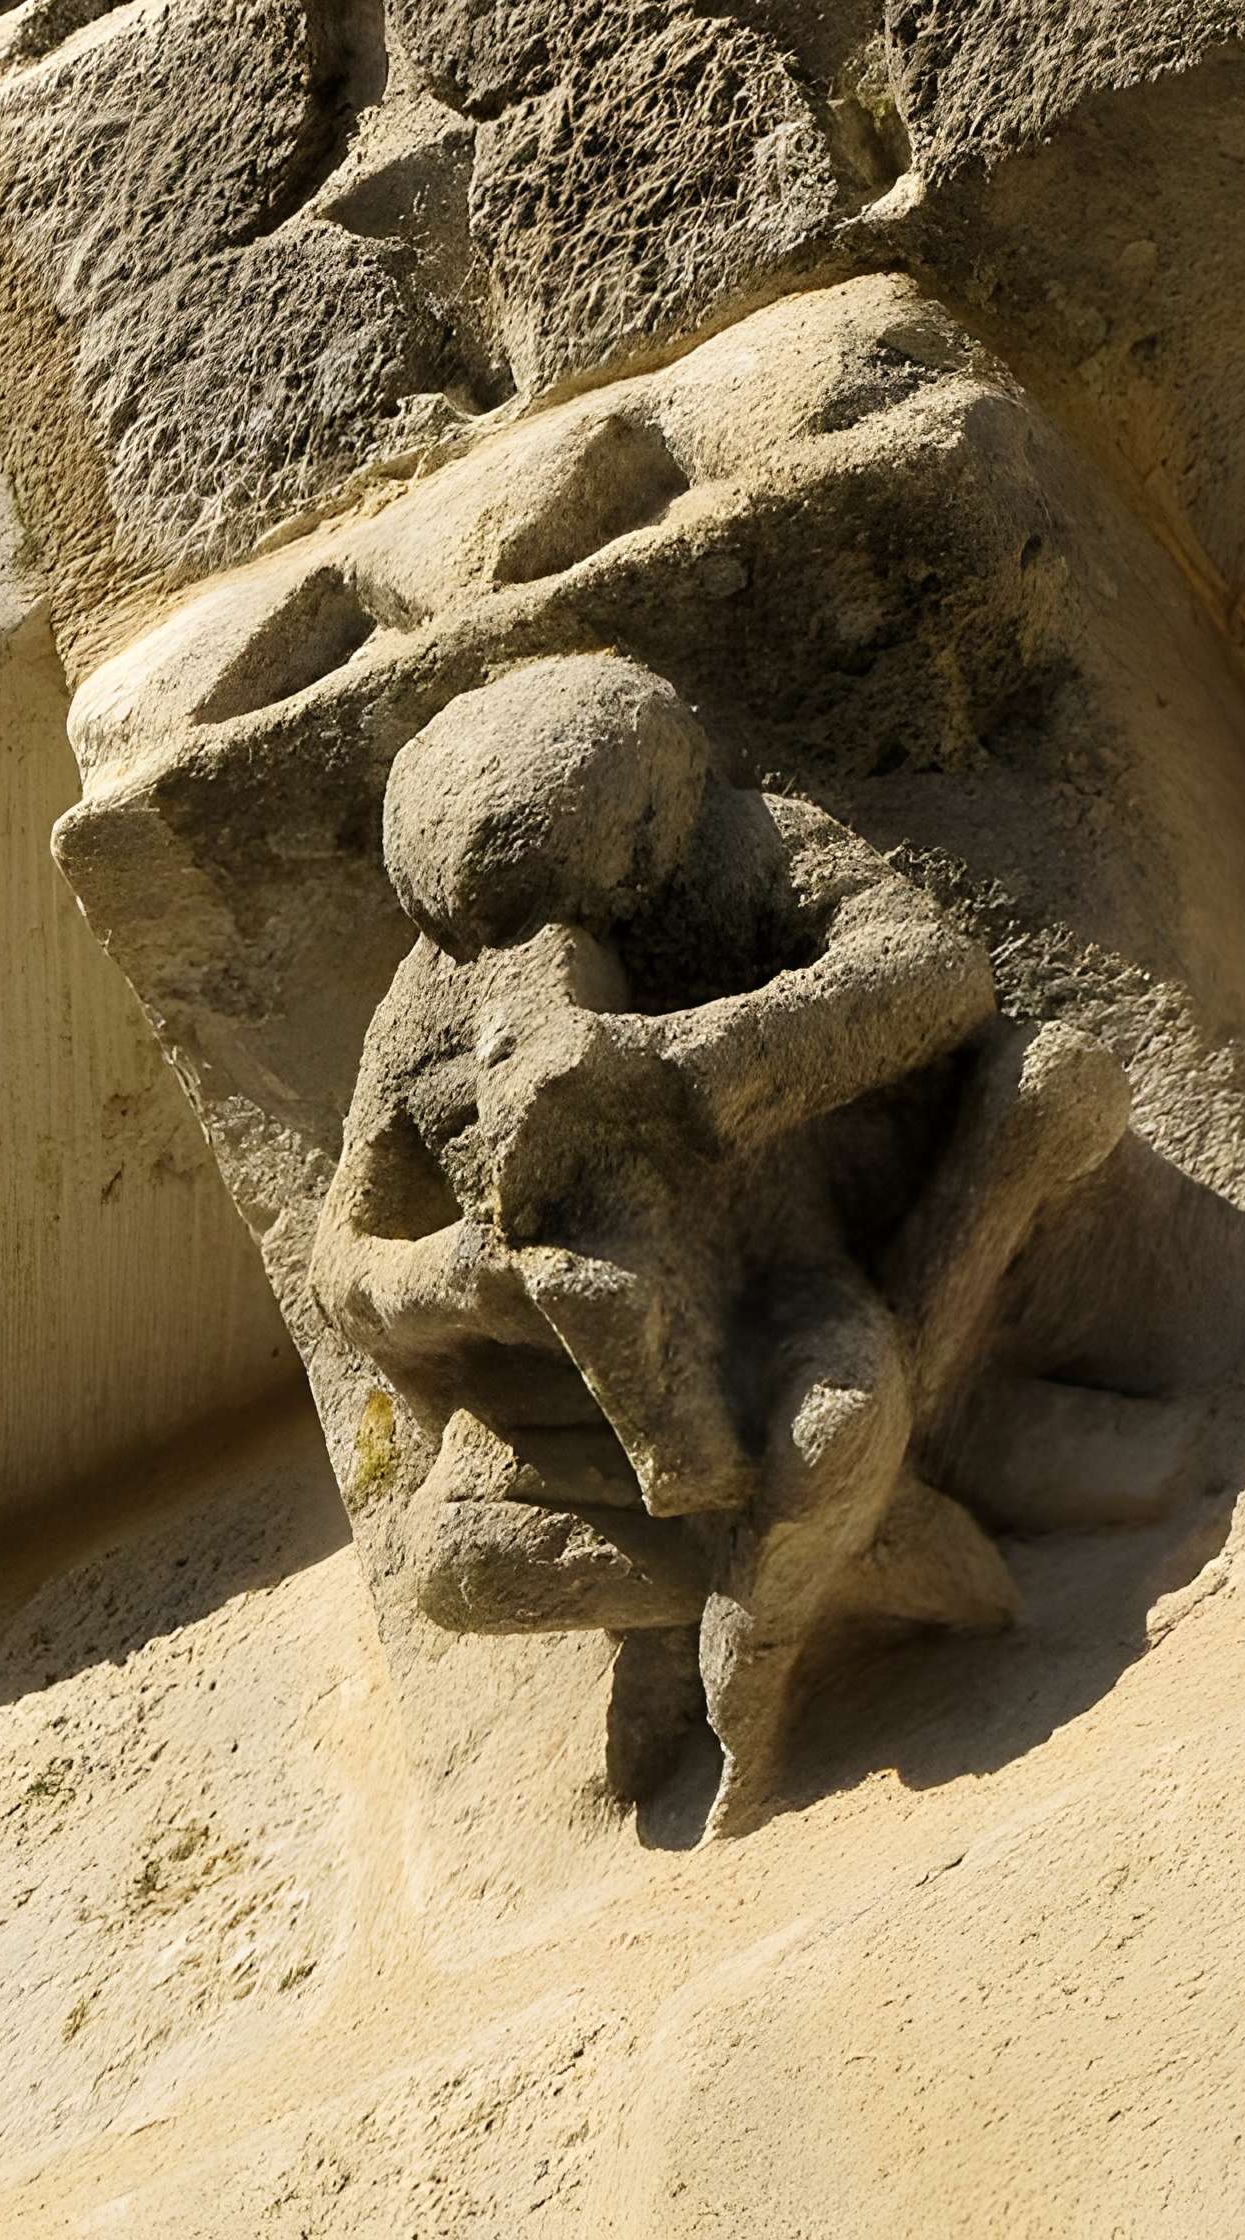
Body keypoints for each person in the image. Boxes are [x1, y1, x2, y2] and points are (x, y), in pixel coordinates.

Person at [315, 655, 1123, 1832]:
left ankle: (754, 1627)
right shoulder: (426, 1006)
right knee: (450, 1563)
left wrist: (682, 1064)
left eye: (586, 905)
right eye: (480, 931)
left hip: (779, 1286)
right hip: (586, 1391)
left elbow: (930, 967)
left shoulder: (746, 853)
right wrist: (456, 1277)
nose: (533, 956)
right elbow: (341, 1255)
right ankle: (801, 1567)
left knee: (833, 1417)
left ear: (657, 828)